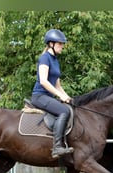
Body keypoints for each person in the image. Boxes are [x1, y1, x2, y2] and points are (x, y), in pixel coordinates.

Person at [31, 29, 74, 158]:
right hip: (39, 96)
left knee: (69, 108)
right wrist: (60, 96)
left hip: (48, 97)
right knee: (63, 112)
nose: (62, 46)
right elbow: (44, 81)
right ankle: (57, 147)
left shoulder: (55, 60)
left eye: (62, 44)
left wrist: (67, 97)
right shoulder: (45, 58)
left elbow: (58, 85)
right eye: (60, 44)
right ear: (51, 44)